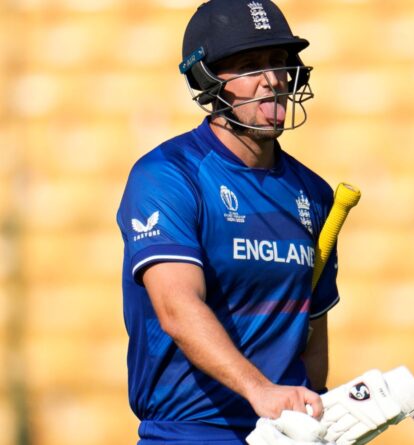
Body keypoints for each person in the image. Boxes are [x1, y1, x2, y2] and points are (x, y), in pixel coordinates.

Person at [115, 1, 338, 443]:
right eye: (250, 66)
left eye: (279, 63)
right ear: (207, 80)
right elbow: (177, 308)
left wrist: (317, 413)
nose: (272, 80)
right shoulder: (166, 175)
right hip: (188, 433)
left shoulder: (313, 193)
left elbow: (311, 326)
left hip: (281, 433)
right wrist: (260, 391)